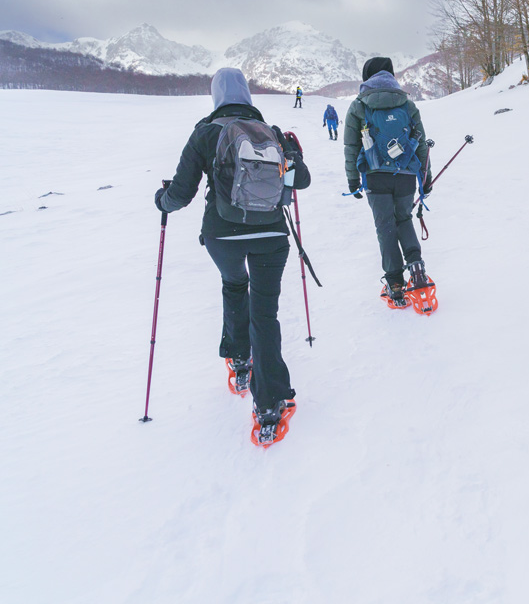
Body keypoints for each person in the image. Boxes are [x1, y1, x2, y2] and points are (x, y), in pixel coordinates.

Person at [154, 67, 311, 445]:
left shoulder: (205, 133)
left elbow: (181, 193)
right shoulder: (271, 132)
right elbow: (300, 181)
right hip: (272, 234)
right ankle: (270, 400)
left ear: (215, 97)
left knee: (234, 284)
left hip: (223, 234)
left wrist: (161, 200)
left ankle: (240, 360)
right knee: (265, 311)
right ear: (247, 95)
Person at [343, 57, 432, 308]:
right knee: (403, 218)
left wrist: (352, 180)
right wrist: (426, 178)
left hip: (375, 176)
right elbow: (421, 143)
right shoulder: (407, 103)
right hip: (405, 175)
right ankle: (416, 265)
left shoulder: (359, 105)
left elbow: (351, 146)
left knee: (385, 226)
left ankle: (395, 283)